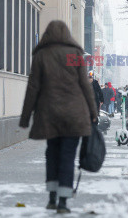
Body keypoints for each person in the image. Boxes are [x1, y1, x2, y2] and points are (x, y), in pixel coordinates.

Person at [19, 20, 97, 214]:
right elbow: (85, 86)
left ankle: (52, 197)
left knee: (52, 153)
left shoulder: (41, 55)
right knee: (68, 156)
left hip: (49, 114)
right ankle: (63, 201)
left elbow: (33, 87)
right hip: (74, 115)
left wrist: (25, 117)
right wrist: (93, 112)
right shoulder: (76, 54)